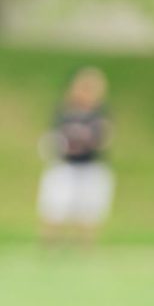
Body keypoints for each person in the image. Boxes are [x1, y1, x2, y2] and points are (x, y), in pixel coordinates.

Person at [37, 66, 114, 245]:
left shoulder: (100, 114)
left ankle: (84, 248)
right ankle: (50, 246)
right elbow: (55, 137)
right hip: (65, 165)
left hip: (90, 165)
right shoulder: (64, 111)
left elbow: (104, 138)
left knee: (88, 212)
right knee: (55, 208)